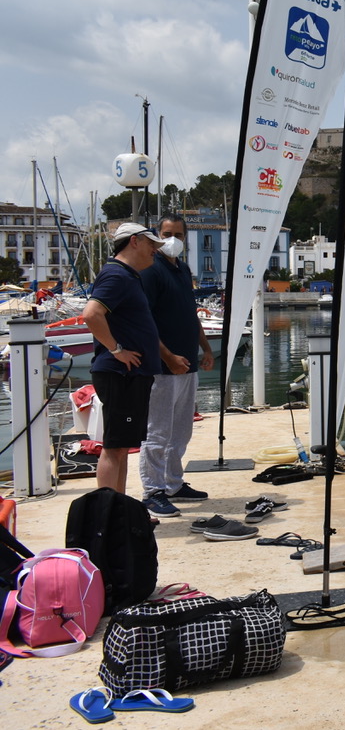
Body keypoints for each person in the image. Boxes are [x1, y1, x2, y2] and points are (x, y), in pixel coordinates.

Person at [138, 214, 215, 518]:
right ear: (157, 235)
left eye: (179, 234)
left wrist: (206, 348)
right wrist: (168, 356)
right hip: (161, 365)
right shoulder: (150, 271)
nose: (173, 239)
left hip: (187, 364)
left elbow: (190, 314)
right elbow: (144, 321)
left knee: (181, 430)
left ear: (186, 237)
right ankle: (152, 491)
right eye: (167, 233)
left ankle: (173, 483)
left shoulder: (183, 270)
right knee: (156, 431)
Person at [81, 223, 164, 493]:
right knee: (114, 446)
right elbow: (91, 314)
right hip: (121, 374)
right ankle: (107, 511)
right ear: (135, 242)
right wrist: (117, 350)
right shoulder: (117, 275)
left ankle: (121, 508)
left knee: (122, 446)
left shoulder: (128, 276)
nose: (155, 250)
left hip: (131, 375)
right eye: (152, 244)